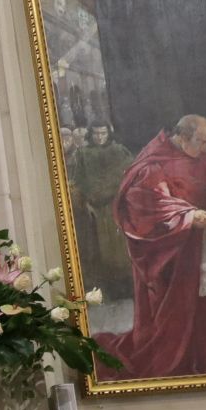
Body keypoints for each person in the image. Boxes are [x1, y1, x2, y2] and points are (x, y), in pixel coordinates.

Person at [98, 113, 206, 378]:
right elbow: (145, 202)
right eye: (200, 142)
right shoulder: (153, 163)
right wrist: (189, 216)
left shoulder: (199, 155)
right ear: (182, 137)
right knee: (180, 313)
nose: (205, 149)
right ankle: (187, 361)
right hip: (175, 252)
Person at [66, 124, 135, 298]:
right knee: (101, 250)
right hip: (95, 210)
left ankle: (129, 287)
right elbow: (79, 180)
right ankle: (110, 290)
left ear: (109, 134)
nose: (99, 137)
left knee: (122, 248)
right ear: (91, 135)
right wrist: (85, 202)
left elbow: (131, 175)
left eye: (103, 133)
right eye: (96, 133)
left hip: (117, 205)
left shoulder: (120, 151)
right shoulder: (83, 154)